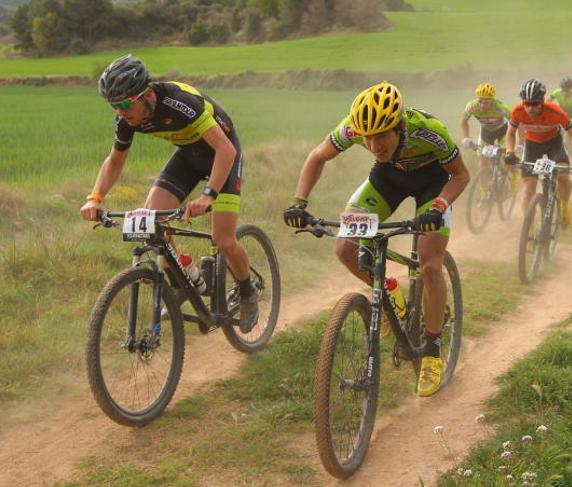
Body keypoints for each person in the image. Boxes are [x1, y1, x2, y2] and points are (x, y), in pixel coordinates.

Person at [282, 82, 470, 397]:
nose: (373, 145)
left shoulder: (428, 131)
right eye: (367, 137)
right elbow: (317, 157)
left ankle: (432, 351)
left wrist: (438, 207)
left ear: (399, 127)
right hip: (388, 180)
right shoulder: (354, 129)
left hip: (433, 184)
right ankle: (389, 293)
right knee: (345, 247)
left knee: (430, 266)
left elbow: (460, 175)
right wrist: (299, 202)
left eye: (382, 135)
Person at [79, 54, 260, 332]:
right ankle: (188, 281)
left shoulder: (180, 102)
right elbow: (115, 161)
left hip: (222, 155)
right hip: (189, 156)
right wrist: (95, 197)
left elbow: (225, 150)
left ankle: (248, 292)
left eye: (126, 103)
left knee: (222, 239)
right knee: (152, 222)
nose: (121, 112)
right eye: (114, 106)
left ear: (147, 94)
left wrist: (208, 195)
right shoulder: (127, 119)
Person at [503, 79, 572, 229]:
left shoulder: (556, 112)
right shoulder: (517, 112)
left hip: (554, 144)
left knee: (563, 177)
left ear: (542, 101)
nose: (530, 108)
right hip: (532, 146)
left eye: (535, 103)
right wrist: (509, 152)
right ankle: (528, 230)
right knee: (529, 187)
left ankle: (565, 205)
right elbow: (510, 134)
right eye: (527, 103)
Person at [460, 82, 515, 195]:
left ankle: (512, 175)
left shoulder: (501, 108)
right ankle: (484, 193)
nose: (483, 105)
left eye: (487, 102)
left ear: (493, 101)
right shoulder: (472, 106)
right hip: (486, 133)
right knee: (482, 162)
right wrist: (466, 137)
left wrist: (517, 143)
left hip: (502, 132)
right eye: (481, 101)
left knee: (507, 157)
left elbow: (515, 122)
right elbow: (463, 120)